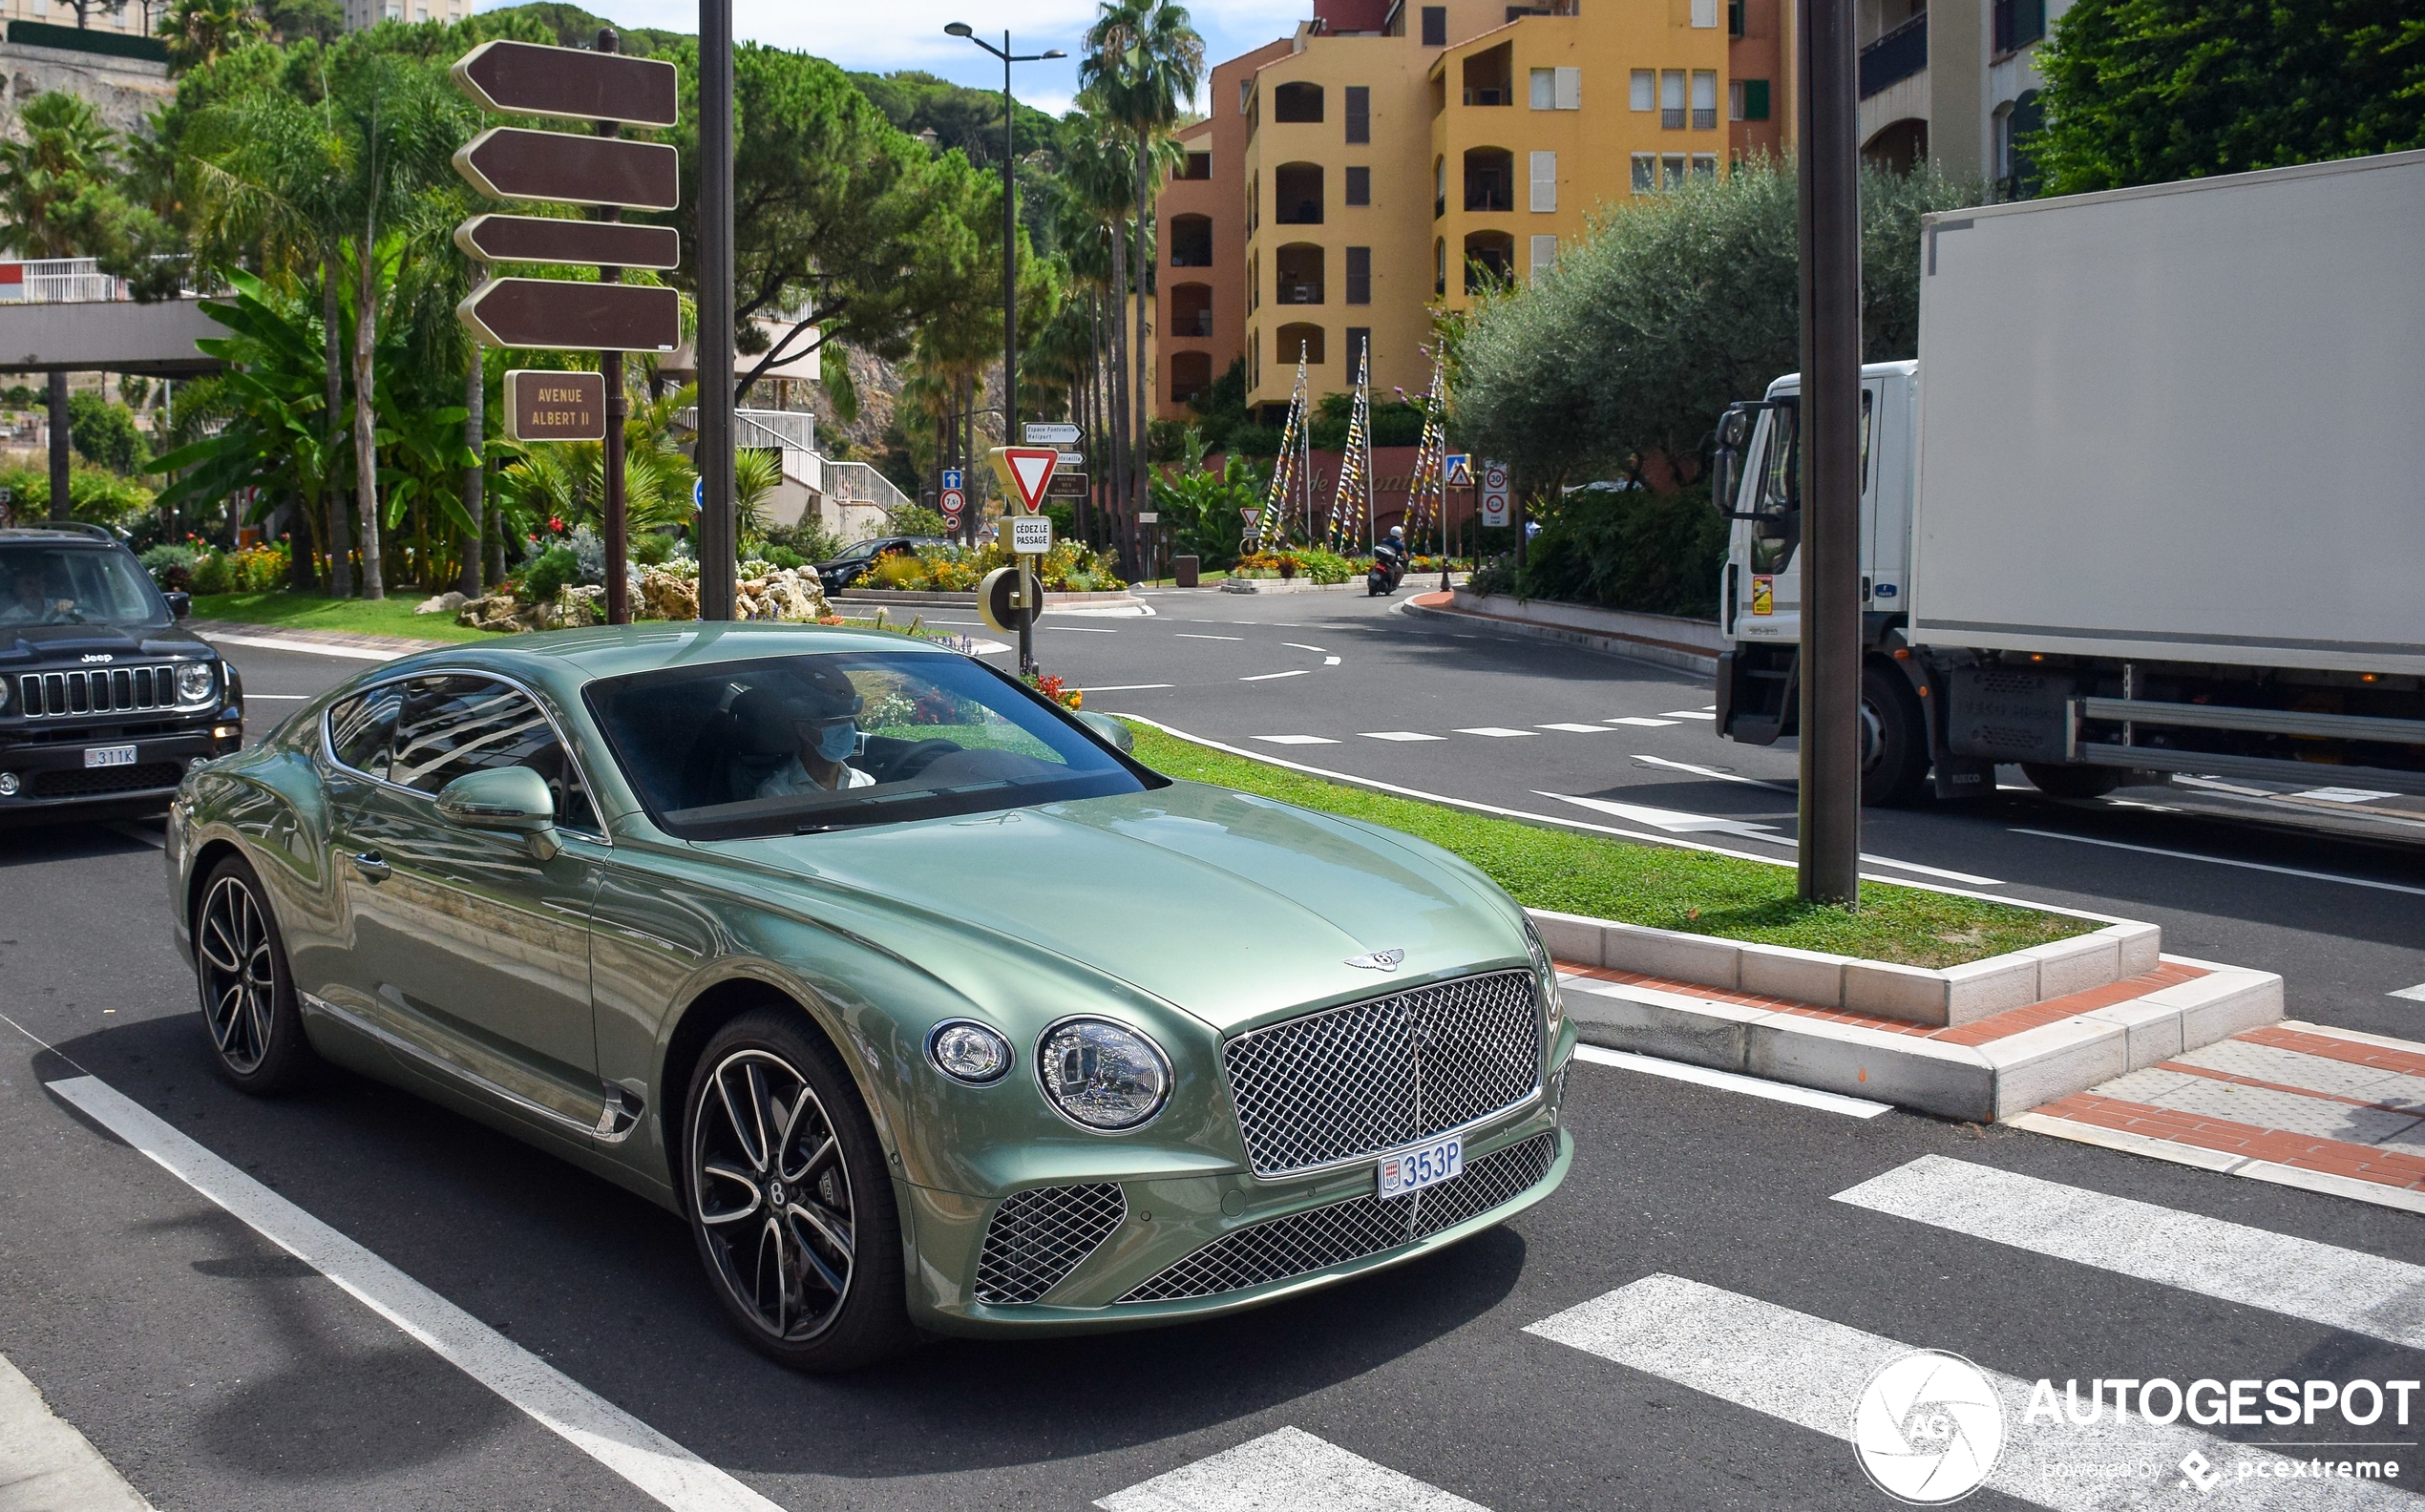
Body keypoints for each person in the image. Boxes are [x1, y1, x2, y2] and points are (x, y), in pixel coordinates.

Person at [732, 666, 874, 801]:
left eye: (848, 719)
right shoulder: (776, 794)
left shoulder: (865, 782)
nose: (846, 728)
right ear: (804, 730)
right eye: (832, 721)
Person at [0, 565, 68, 624]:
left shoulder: (62, 605)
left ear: (44, 585)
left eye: (38, 582)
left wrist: (69, 611)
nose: (35, 588)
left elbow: (77, 621)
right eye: (28, 583)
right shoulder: (9, 617)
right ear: (16, 588)